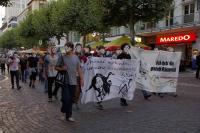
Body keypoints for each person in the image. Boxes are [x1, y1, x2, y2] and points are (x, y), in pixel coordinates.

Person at [55, 42, 84, 122]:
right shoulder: (62, 57)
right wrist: (62, 69)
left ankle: (69, 115)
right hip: (65, 81)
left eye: (67, 47)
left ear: (71, 48)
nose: (65, 49)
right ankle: (63, 111)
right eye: (65, 47)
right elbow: (56, 67)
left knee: (71, 99)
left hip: (74, 81)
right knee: (66, 98)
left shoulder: (76, 57)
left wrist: (82, 79)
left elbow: (79, 69)